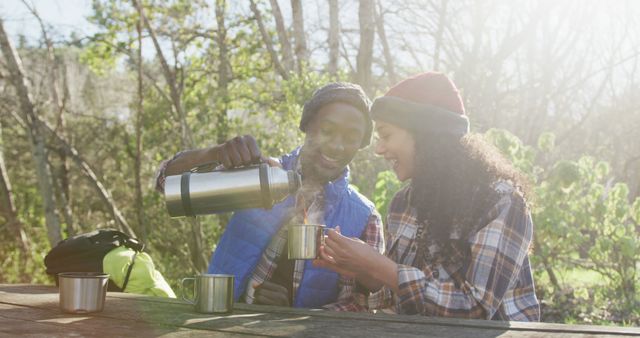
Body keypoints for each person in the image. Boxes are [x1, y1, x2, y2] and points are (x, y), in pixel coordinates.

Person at [315, 72, 540, 321]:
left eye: (386, 135)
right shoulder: (404, 203)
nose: (378, 149)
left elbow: (474, 308)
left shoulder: (500, 201)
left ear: (426, 135)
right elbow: (398, 298)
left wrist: (378, 266)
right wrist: (365, 272)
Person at [155, 82, 384, 310]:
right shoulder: (260, 173)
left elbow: (363, 305)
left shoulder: (365, 216)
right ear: (307, 127)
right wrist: (214, 154)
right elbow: (166, 184)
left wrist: (293, 315)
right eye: (326, 130)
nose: (336, 146)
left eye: (352, 137)